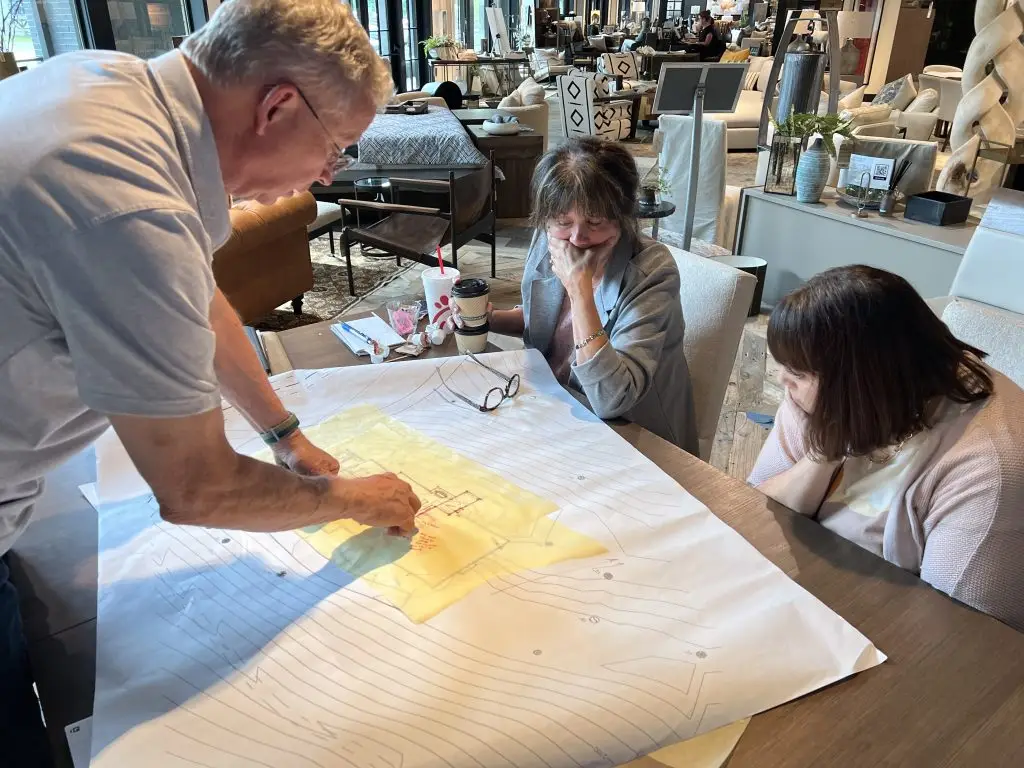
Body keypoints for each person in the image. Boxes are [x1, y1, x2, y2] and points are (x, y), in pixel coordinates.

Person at [0, 0, 421, 763]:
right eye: (336, 147)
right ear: (278, 106)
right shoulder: (127, 202)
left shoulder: (111, 85)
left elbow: (193, 293)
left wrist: (283, 433)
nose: (329, 174)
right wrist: (352, 499)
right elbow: (196, 488)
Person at [748, 266, 1024, 630]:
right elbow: (758, 510)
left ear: (865, 382)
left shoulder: (988, 467)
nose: (783, 380)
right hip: (807, 596)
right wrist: (825, 450)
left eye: (797, 374)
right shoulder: (829, 391)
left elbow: (958, 632)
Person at [454, 138, 698, 454]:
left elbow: (612, 397)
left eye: (594, 222)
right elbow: (549, 322)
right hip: (552, 409)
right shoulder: (550, 240)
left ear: (623, 216)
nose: (577, 238)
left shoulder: (651, 272)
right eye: (563, 222)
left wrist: (579, 289)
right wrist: (488, 319)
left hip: (636, 439)